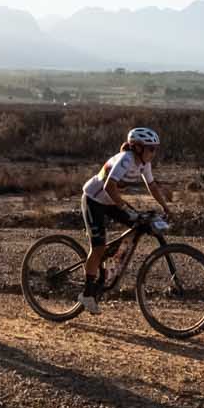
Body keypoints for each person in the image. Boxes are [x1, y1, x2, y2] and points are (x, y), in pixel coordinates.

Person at [80, 126, 171, 313]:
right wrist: (123, 206)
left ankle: (109, 260)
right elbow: (109, 186)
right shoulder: (126, 159)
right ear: (137, 148)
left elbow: (152, 186)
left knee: (140, 224)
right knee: (97, 247)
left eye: (156, 149)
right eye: (151, 149)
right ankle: (87, 294)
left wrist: (165, 207)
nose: (154, 153)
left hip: (110, 201)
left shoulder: (144, 164)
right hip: (93, 200)